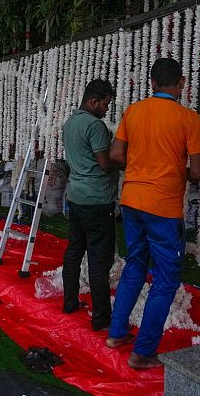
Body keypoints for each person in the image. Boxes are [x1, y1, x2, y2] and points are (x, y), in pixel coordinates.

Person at [106, 58, 200, 369]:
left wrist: (141, 167)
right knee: (166, 278)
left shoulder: (134, 111)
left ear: (151, 83)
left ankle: (115, 333)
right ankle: (143, 352)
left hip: (132, 200)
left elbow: (115, 155)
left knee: (136, 264)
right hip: (163, 206)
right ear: (181, 83)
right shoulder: (188, 118)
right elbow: (198, 171)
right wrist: (174, 170)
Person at [61, 79, 121, 331]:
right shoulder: (95, 126)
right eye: (105, 104)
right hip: (97, 200)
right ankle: (101, 318)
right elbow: (105, 163)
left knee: (75, 249)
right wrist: (126, 162)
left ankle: (70, 301)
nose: (107, 109)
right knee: (98, 259)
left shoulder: (70, 123)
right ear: (93, 101)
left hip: (75, 197)